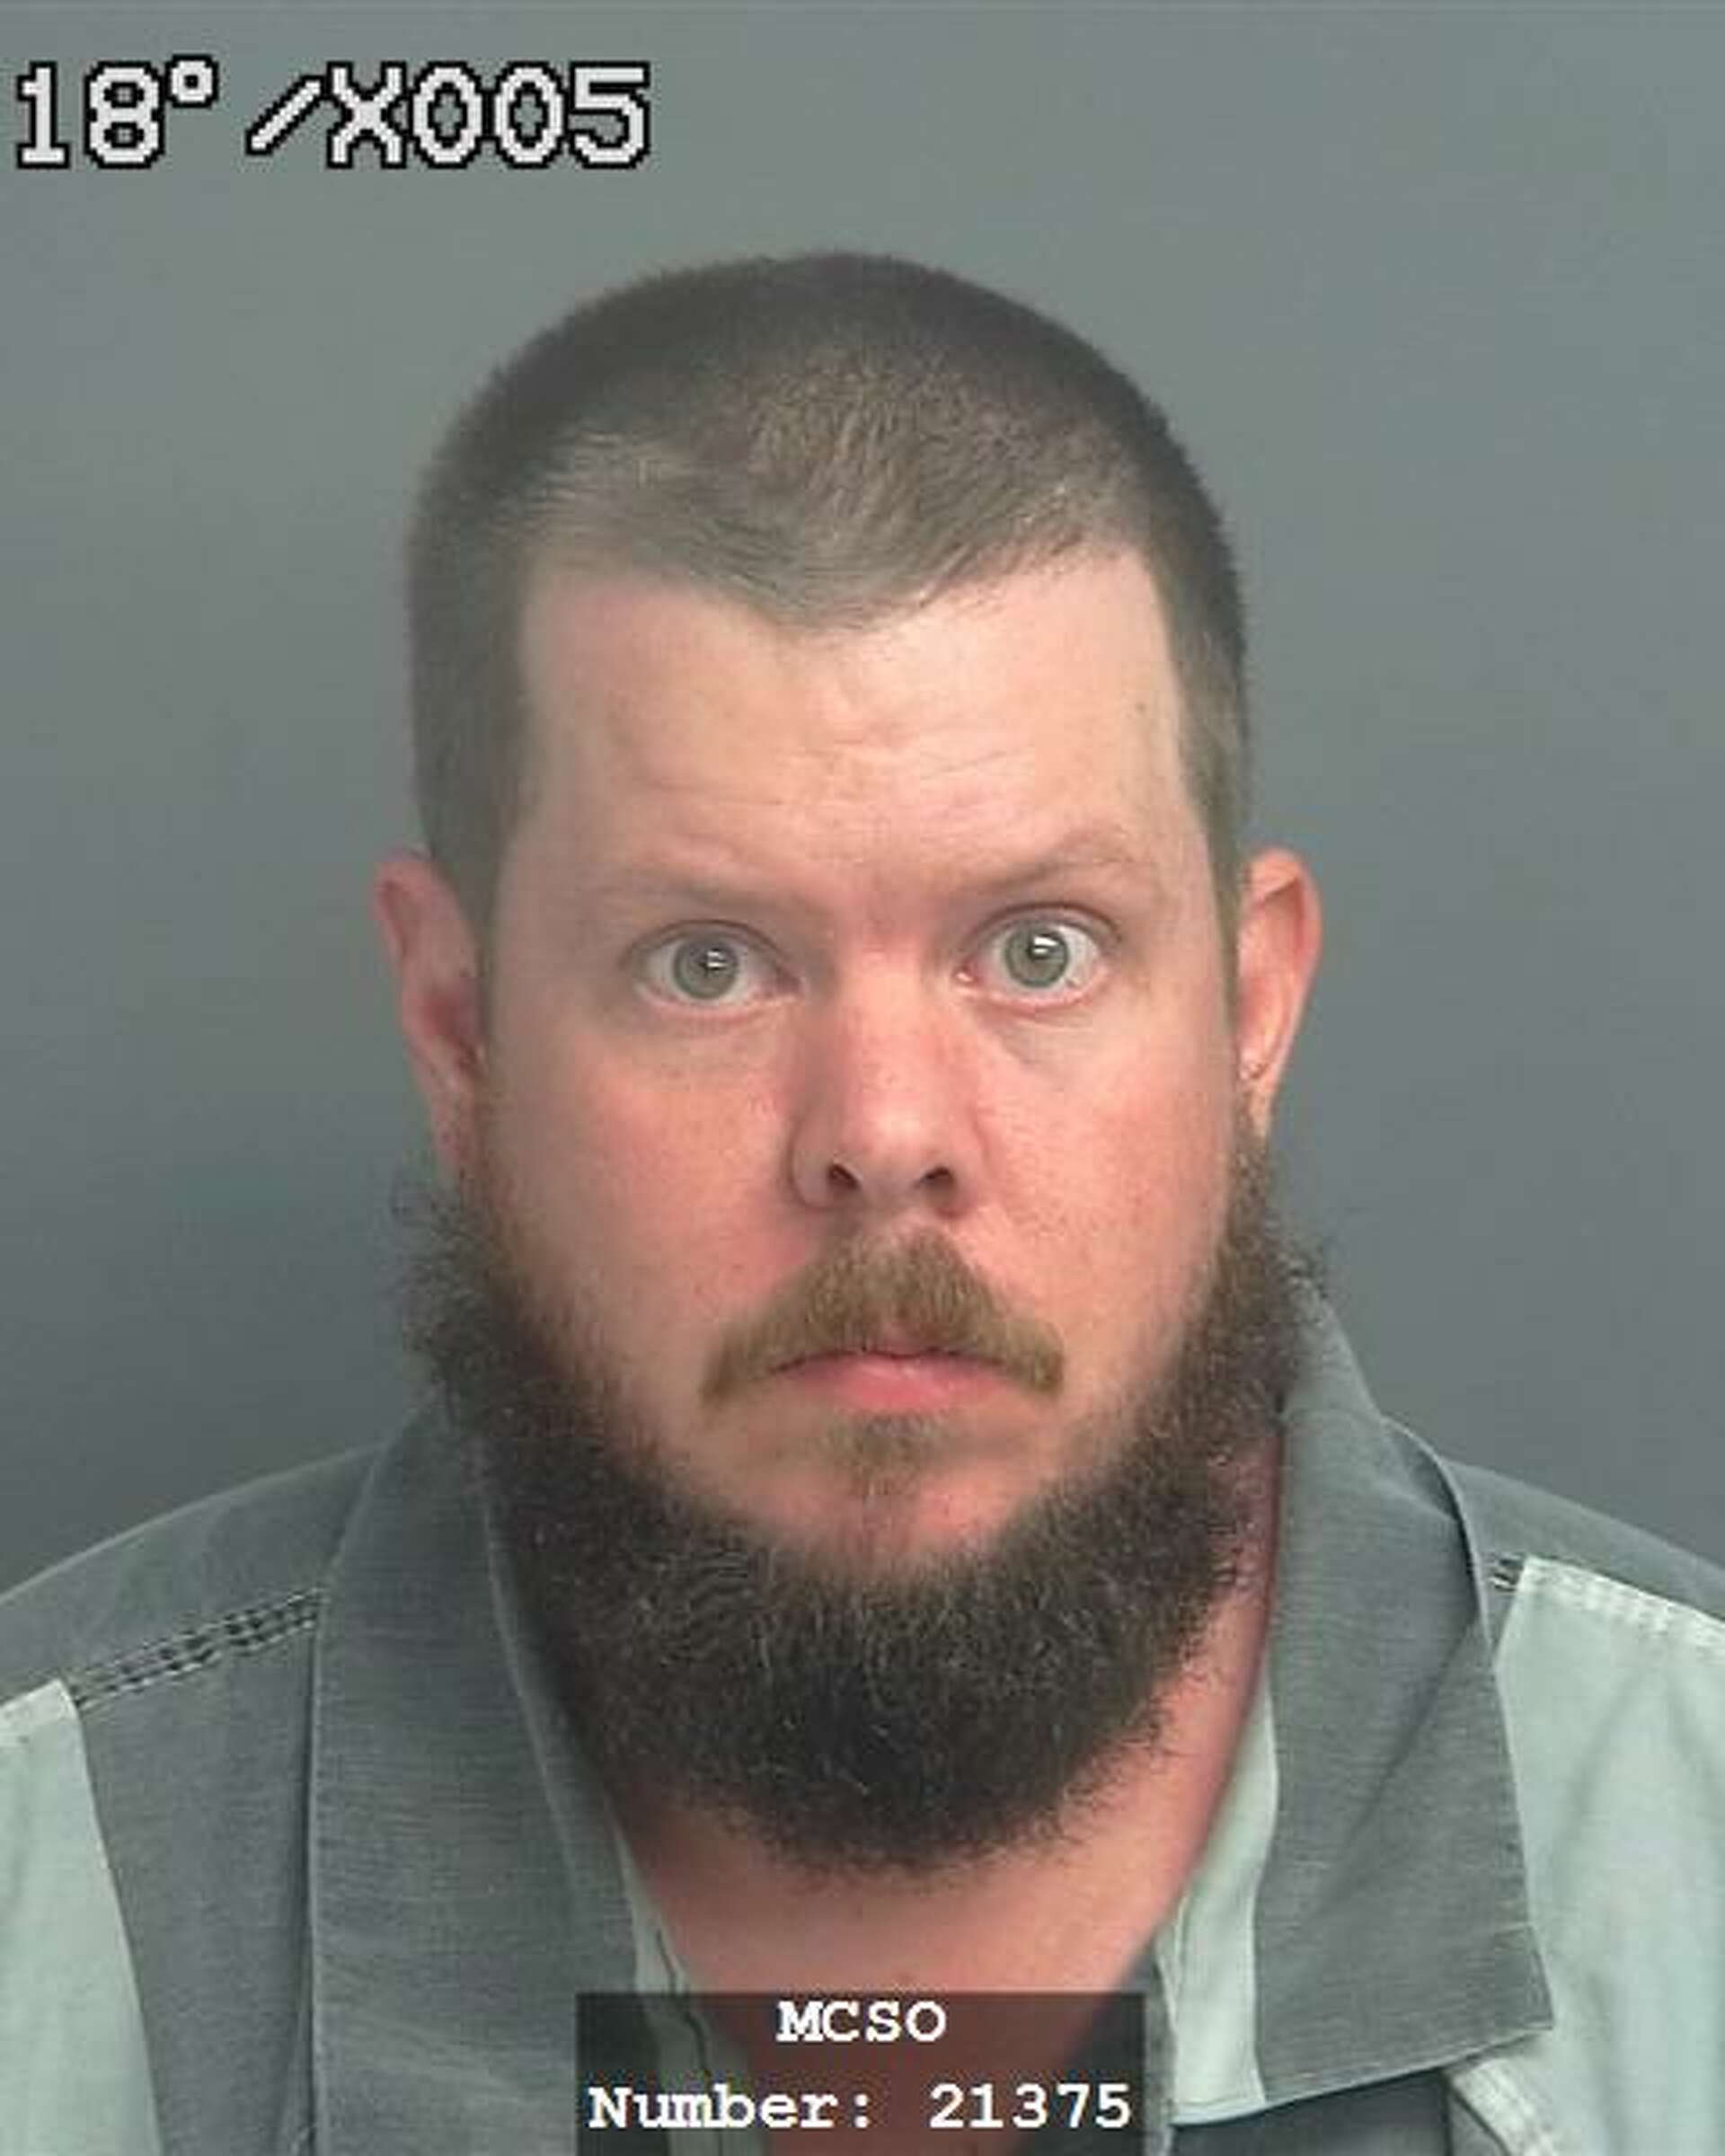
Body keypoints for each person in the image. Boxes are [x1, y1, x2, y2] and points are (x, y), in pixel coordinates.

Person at [1, 252, 1720, 2156]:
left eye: (1041, 948)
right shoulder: (40, 1888)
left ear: (1251, 1012)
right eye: (707, 964)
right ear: (461, 1030)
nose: (885, 1133)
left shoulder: (1692, 1842)